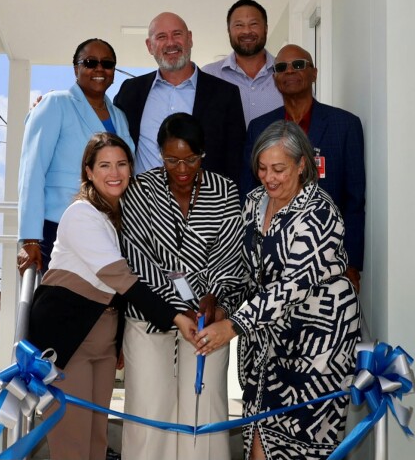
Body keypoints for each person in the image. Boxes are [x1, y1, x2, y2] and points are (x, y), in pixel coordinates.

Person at [27, 133, 199, 460]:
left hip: (103, 347)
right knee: (72, 445)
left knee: (96, 442)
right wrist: (177, 318)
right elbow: (121, 280)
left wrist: (117, 342)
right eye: (104, 165)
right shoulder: (82, 214)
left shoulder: (115, 216)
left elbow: (115, 296)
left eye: (121, 164)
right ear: (88, 172)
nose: (114, 172)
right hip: (68, 344)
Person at [199, 121, 362, 460]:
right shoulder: (256, 201)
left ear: (302, 165)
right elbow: (247, 270)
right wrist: (224, 308)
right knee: (258, 436)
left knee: (300, 448)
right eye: (261, 168)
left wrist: (232, 327)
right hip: (266, 343)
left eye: (279, 169)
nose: (268, 178)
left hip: (317, 348)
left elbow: (293, 286)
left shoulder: (319, 212)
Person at [119, 113, 246, 460]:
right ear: (160, 155)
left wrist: (213, 296)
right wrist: (175, 306)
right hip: (151, 314)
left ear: (203, 153)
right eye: (172, 159)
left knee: (204, 407)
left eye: (190, 159)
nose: (181, 168)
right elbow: (135, 252)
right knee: (148, 409)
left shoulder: (225, 190)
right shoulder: (141, 190)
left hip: (208, 317)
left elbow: (231, 251)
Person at [240, 44, 366, 292]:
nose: (289, 71)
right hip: (273, 261)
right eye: (281, 67)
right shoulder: (259, 127)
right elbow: (250, 193)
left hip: (330, 260)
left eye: (298, 65)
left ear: (314, 73)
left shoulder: (345, 125)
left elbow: (355, 200)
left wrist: (352, 262)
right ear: (275, 78)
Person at [17, 38, 134, 276]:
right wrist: (30, 238)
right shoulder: (55, 103)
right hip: (58, 227)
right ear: (75, 69)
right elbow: (32, 169)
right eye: (90, 62)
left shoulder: (120, 116)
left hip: (108, 231)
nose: (99, 69)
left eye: (107, 63)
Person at [114, 12, 246, 187]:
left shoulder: (225, 94)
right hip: (142, 208)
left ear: (190, 38)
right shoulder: (130, 91)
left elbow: (236, 160)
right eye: (161, 36)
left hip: (205, 208)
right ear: (149, 46)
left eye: (177, 34)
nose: (170, 42)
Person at [202, 0, 283, 127]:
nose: (246, 31)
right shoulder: (209, 75)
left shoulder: (287, 73)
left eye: (254, 24)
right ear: (229, 30)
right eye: (239, 25)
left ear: (266, 28)